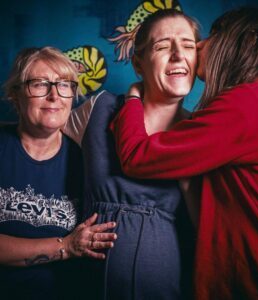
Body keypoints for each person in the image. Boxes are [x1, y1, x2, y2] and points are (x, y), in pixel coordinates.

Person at [111, 7, 258, 300]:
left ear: (246, 42)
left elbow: (137, 156)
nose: (199, 46)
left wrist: (133, 98)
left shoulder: (248, 103)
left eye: (213, 36)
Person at [64, 9, 200, 300]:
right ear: (138, 63)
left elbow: (208, 228)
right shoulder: (99, 108)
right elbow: (34, 133)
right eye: (162, 46)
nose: (178, 55)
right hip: (87, 284)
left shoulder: (203, 131)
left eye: (188, 45)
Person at [0, 47, 117, 300]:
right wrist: (65, 246)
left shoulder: (86, 160)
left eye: (64, 85)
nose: (55, 95)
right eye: (40, 84)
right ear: (15, 95)